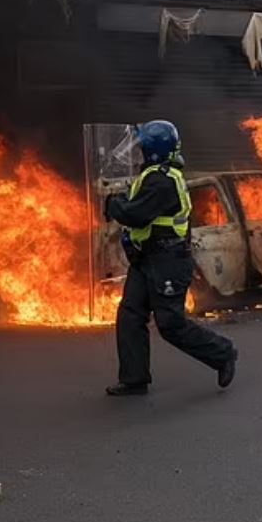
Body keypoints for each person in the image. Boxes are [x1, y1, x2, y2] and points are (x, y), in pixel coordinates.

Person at [103, 120, 237, 396]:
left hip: (168, 261)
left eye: (142, 146)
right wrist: (121, 201)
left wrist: (112, 204)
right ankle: (134, 378)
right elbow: (135, 203)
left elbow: (134, 213)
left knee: (170, 324)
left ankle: (223, 353)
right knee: (130, 313)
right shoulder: (155, 175)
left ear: (154, 150)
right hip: (147, 258)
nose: (138, 150)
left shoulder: (163, 180)